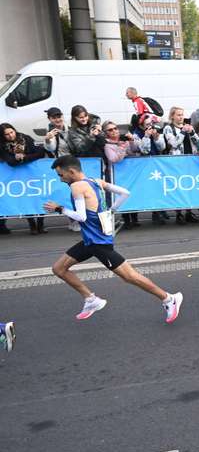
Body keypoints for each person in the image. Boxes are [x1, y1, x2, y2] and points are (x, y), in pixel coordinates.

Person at [43, 155, 183, 323]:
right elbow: (125, 192)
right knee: (59, 269)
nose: (60, 179)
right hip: (91, 241)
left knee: (129, 276)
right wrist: (112, 209)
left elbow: (81, 217)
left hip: (98, 242)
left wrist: (60, 208)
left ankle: (168, 298)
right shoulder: (96, 181)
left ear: (71, 171)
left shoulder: (77, 186)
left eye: (61, 175)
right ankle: (91, 300)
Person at [0, 123, 47, 235]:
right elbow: (10, 161)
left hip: (33, 173)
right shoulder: (2, 145)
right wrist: (16, 159)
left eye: (11, 132)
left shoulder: (26, 138)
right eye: (7, 135)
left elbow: (40, 152)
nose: (11, 136)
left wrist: (24, 158)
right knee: (26, 199)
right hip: (17, 176)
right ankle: (32, 224)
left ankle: (41, 224)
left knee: (40, 197)